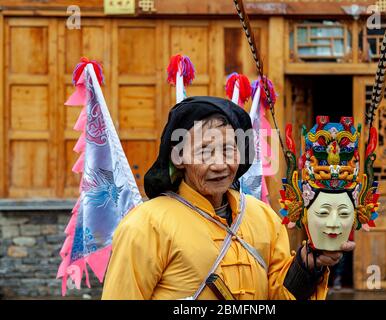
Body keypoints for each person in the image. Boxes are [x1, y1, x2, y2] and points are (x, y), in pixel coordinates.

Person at [101, 96, 355, 300]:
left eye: (228, 150)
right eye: (204, 151)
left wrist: (308, 266)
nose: (219, 164)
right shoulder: (146, 225)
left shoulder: (263, 216)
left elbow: (280, 294)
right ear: (178, 158)